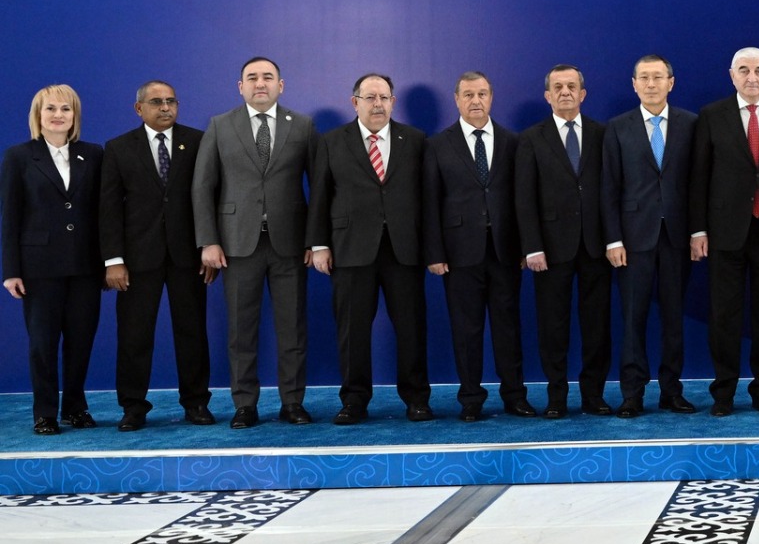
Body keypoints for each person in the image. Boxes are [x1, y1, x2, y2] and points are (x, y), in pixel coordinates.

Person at [192, 57, 316, 428]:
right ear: (240, 86)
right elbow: (202, 187)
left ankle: (292, 402)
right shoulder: (220, 125)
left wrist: (316, 240)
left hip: (290, 245)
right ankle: (244, 404)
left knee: (292, 330)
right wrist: (208, 241)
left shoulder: (303, 125)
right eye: (252, 77)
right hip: (235, 245)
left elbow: (321, 188)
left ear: (281, 85)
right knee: (240, 331)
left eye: (267, 77)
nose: (260, 83)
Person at [308, 74, 431, 424]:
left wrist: (430, 247)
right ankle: (354, 401)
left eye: (384, 97)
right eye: (370, 97)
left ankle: (417, 399)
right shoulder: (332, 141)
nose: (378, 104)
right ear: (355, 102)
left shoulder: (416, 140)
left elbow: (427, 198)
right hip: (350, 249)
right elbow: (320, 195)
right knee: (352, 331)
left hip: (404, 250)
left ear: (393, 102)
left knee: (411, 328)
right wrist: (319, 245)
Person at [690, 47, 759, 416]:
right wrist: (698, 230)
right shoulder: (711, 115)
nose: (751, 77)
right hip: (725, 232)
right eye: (743, 70)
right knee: (724, 316)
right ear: (731, 75)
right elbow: (699, 177)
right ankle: (723, 392)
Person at [99, 81, 213, 430]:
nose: (165, 107)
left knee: (192, 333)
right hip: (137, 259)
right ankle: (133, 407)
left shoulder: (198, 141)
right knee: (134, 336)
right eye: (157, 102)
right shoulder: (118, 148)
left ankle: (196, 402)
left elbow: (212, 197)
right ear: (139, 109)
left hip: (188, 257)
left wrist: (209, 247)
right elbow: (108, 208)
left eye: (171, 101)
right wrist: (113, 260)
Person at [424, 71, 533, 422]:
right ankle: (471, 398)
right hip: (459, 254)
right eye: (469, 95)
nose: (476, 101)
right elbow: (430, 202)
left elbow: (523, 199)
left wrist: (525, 247)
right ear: (456, 99)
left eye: (482, 94)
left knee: (508, 328)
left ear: (491, 98)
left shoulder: (513, 142)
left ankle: (514, 396)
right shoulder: (438, 145)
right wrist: (435, 253)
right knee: (466, 330)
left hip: (505, 251)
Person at [1, 85, 105, 435]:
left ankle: (75, 407)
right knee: (42, 344)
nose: (58, 115)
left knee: (81, 340)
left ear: (75, 115)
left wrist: (108, 261)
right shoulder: (19, 157)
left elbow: (103, 211)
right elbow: (10, 217)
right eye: (50, 109)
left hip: (85, 266)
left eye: (66, 109)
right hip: (39, 268)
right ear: (38, 115)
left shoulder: (93, 154)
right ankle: (44, 412)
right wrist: (11, 270)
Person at [602, 55, 699, 416]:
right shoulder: (617, 127)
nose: (651, 84)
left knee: (674, 318)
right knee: (633, 319)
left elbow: (698, 183)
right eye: (644, 77)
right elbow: (608, 187)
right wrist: (613, 239)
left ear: (671, 83)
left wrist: (698, 231)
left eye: (658, 77)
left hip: (677, 236)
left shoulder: (691, 124)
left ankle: (671, 391)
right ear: (634, 84)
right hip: (632, 239)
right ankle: (632, 393)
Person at [514, 64, 612, 417]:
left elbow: (611, 190)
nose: (565, 92)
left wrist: (613, 239)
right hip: (551, 249)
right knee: (553, 326)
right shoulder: (531, 138)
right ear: (547, 95)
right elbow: (524, 197)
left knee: (597, 325)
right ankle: (556, 396)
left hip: (596, 246)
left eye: (571, 86)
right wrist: (532, 246)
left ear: (583, 94)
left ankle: (593, 395)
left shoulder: (603, 133)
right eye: (558, 87)